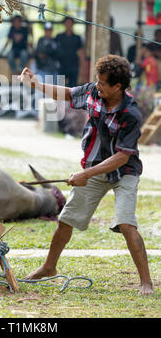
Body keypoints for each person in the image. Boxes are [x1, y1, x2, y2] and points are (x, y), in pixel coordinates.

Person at [19, 54, 154, 295]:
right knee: (67, 219)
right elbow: (70, 93)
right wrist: (36, 85)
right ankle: (49, 267)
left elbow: (123, 156)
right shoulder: (94, 92)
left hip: (124, 171)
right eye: (97, 81)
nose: (97, 86)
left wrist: (86, 174)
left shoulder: (130, 114)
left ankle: (146, 282)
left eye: (103, 83)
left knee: (126, 223)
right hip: (94, 165)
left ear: (118, 87)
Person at [55, 16, 85, 87]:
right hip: (61, 66)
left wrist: (82, 69)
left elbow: (81, 53)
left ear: (73, 24)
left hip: (74, 66)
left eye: (70, 23)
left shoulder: (77, 38)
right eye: (67, 23)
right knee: (60, 88)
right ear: (64, 24)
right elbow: (53, 50)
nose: (68, 24)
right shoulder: (59, 37)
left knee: (73, 88)